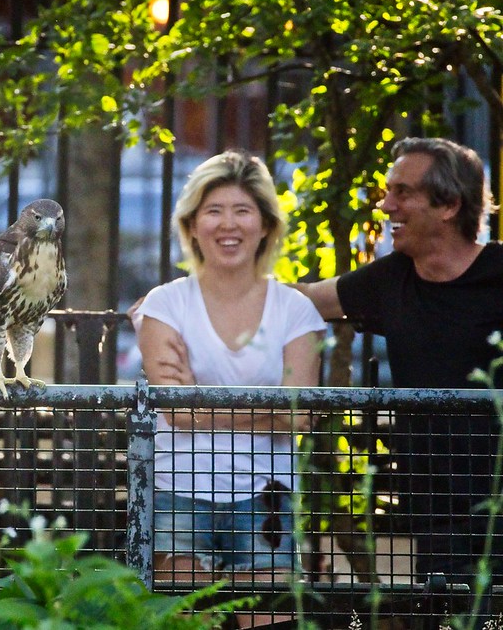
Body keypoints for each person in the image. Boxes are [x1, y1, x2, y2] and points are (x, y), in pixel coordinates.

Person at [296, 137, 503, 620]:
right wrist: (187, 296)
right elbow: (302, 300)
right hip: (437, 511)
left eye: (402, 192)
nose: (386, 205)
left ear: (449, 204)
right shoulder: (391, 279)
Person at [132, 150, 326, 628]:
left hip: (267, 497)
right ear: (193, 225)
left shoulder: (294, 310)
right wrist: (267, 409)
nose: (228, 224)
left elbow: (299, 414)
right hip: (178, 491)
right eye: (214, 211)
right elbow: (174, 412)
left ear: (265, 224)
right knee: (187, 624)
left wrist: (202, 403)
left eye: (242, 210)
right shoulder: (165, 306)